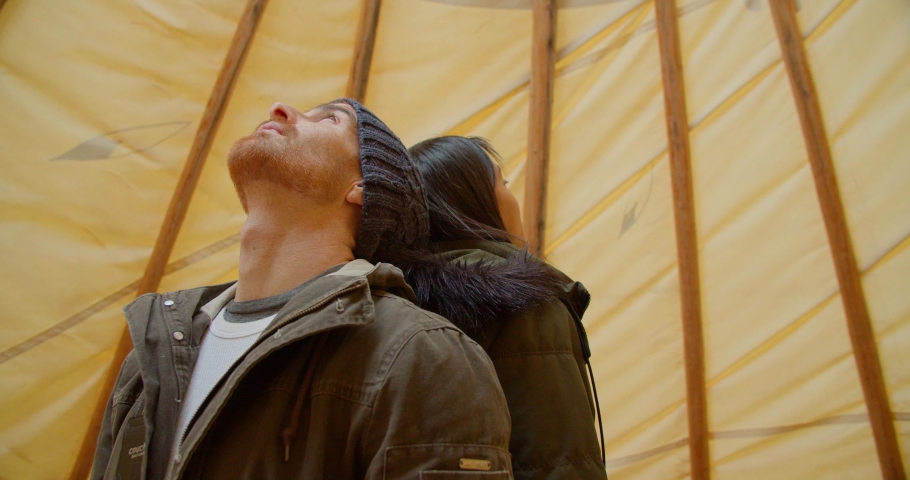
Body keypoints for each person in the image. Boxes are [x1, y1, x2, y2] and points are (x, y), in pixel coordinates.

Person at [91, 101, 513, 480]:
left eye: (328, 119)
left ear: (363, 187)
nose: (279, 108)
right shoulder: (156, 353)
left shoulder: (421, 354)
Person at [405, 136, 608, 479]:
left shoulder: (394, 300)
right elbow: (558, 462)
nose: (513, 197)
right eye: (504, 183)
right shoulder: (527, 303)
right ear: (476, 202)